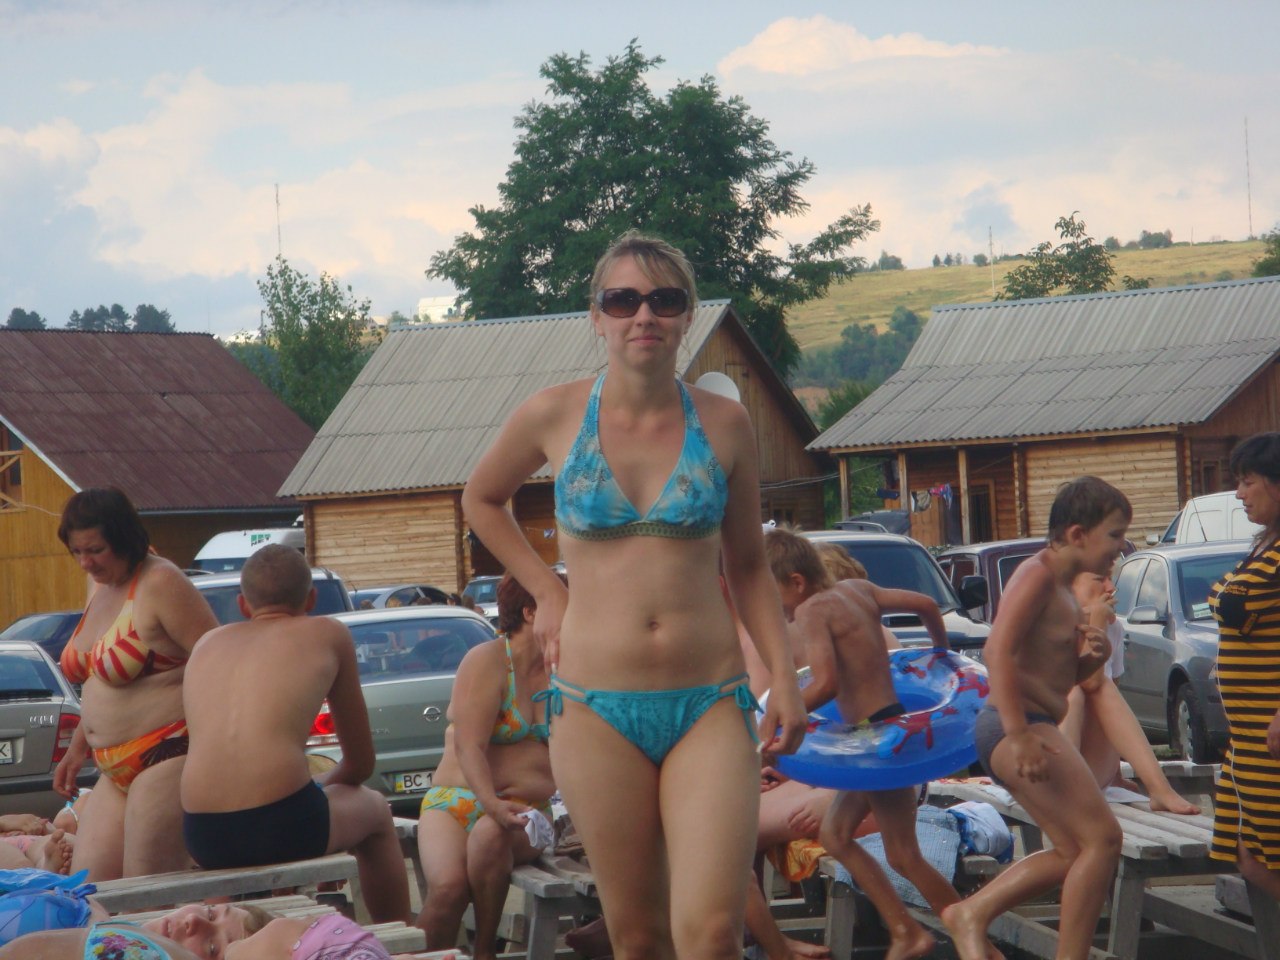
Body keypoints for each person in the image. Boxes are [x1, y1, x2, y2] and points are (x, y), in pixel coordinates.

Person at [461, 231, 806, 960]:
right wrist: (546, 588)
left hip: (709, 702)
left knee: (710, 934)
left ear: (687, 317)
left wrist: (785, 678)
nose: (643, 315)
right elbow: (481, 499)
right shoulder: (554, 415)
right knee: (639, 937)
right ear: (597, 316)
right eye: (623, 300)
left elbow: (749, 567)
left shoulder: (726, 423)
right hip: (595, 708)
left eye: (664, 300)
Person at [766, 526, 979, 960]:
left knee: (903, 855)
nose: (776, 609)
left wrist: (781, 714)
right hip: (884, 730)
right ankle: (906, 930)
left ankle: (970, 937)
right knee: (837, 835)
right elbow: (925, 605)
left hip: (877, 742)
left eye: (775, 597)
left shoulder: (811, 611)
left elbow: (826, 684)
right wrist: (942, 654)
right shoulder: (857, 590)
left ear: (796, 582)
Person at [940, 476, 1131, 960]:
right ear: (1077, 534)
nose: (1121, 547)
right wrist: (1019, 733)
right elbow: (996, 649)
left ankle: (972, 913)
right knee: (1104, 839)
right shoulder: (1038, 574)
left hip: (1028, 721)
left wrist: (1089, 659)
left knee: (1074, 851)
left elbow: (1055, 677)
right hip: (1017, 723)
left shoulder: (1063, 591)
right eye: (1114, 534)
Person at [180, 545, 410, 924]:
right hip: (283, 826)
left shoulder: (207, 644)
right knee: (375, 811)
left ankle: (219, 928)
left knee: (238, 849)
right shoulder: (328, 633)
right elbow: (360, 765)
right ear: (312, 599)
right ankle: (398, 939)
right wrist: (320, 784)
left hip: (203, 834)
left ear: (242, 605)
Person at [52, 487, 219, 880]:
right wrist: (78, 748)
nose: (85, 562)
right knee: (92, 891)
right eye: (77, 552)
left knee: (147, 893)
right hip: (110, 765)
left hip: (165, 753)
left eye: (95, 550)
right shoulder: (99, 584)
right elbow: (98, 679)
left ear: (123, 538)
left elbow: (219, 660)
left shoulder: (161, 582)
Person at [416, 571, 561, 957]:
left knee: (490, 834)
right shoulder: (488, 661)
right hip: (455, 802)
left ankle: (484, 949)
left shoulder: (563, 667)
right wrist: (491, 803)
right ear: (531, 612)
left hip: (527, 813)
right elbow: (468, 746)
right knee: (448, 889)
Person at [1061, 570, 1199, 814]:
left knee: (1105, 687)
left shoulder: (1113, 628)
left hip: (1091, 770)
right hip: (1049, 771)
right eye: (1099, 579)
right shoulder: (1047, 628)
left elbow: (1110, 705)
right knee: (1076, 691)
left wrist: (1115, 775)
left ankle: (1159, 789)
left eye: (1110, 579)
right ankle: (1158, 788)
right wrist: (1096, 622)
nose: (1110, 588)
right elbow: (1090, 681)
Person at [1209, 432, 1280, 899]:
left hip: (1273, 735)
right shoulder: (1265, 546)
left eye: (1248, 481)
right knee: (1249, 856)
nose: (1238, 494)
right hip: (1247, 740)